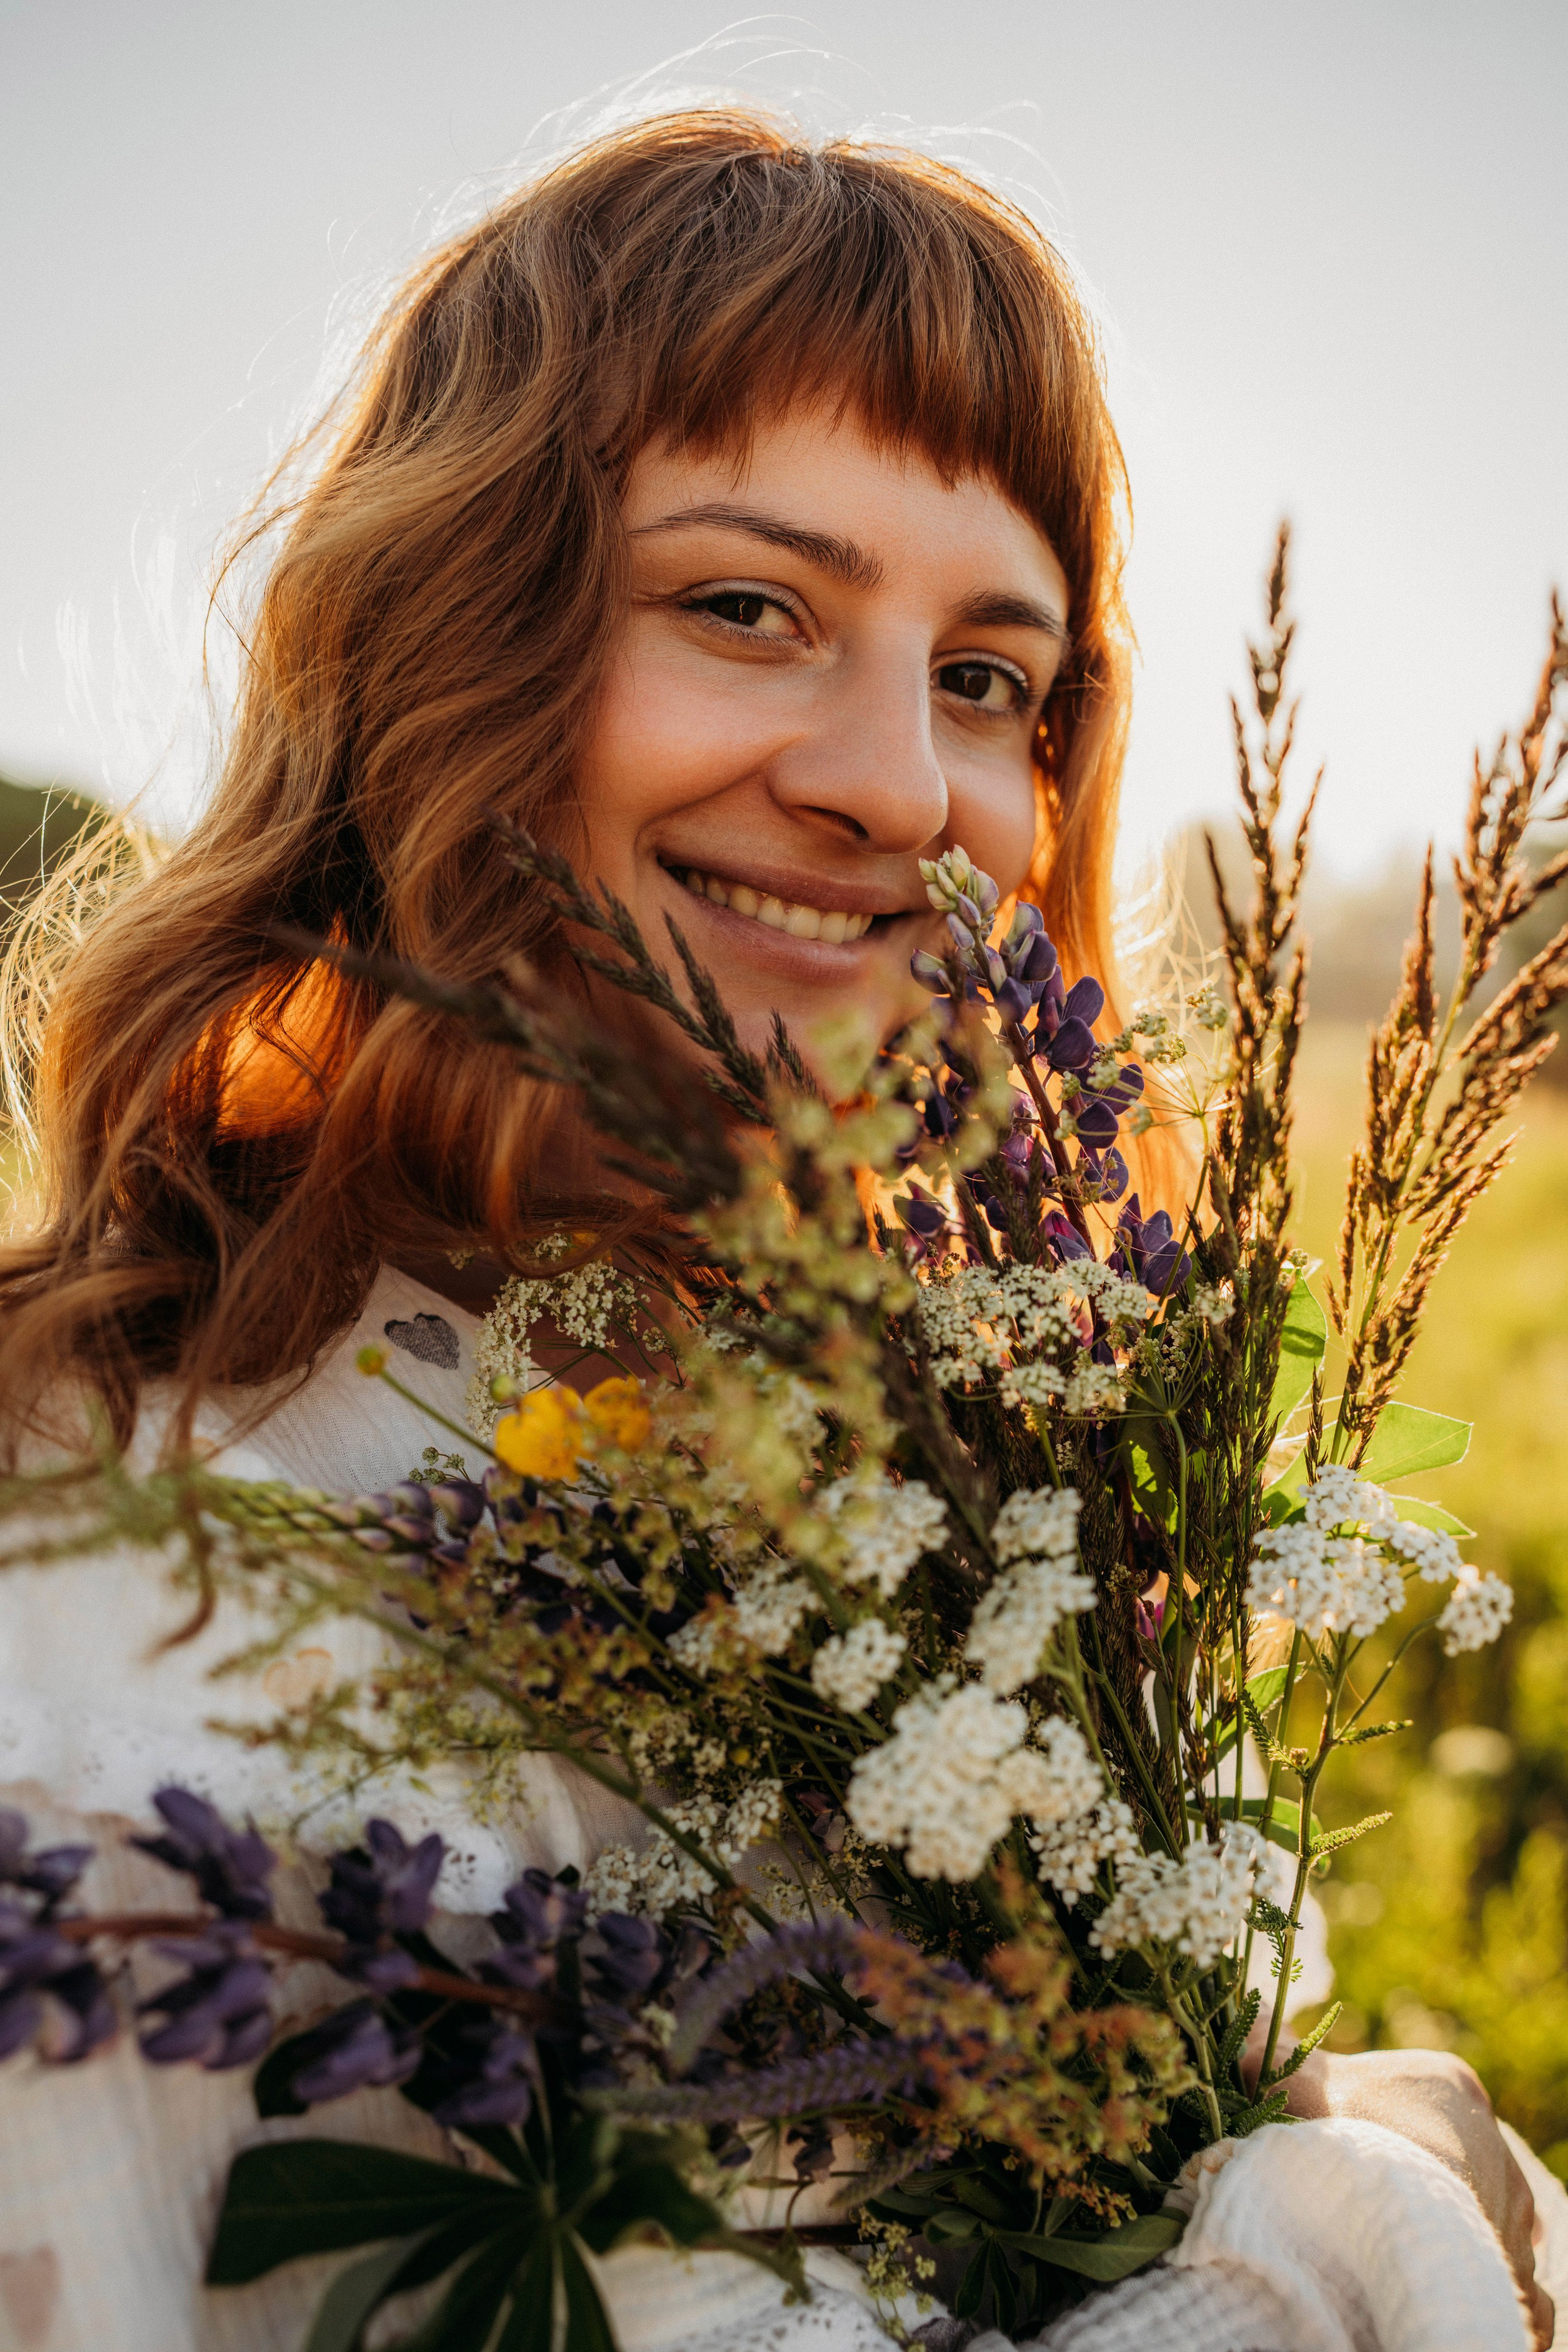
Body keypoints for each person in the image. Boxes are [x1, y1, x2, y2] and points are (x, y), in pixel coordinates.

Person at [0, 108, 1555, 2352]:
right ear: (450, 649)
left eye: (988, 678)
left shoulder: (985, 1507)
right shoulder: (101, 1593)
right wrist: (1334, 2256)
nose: (903, 788)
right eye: (748, 607)